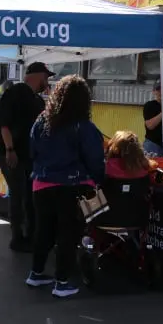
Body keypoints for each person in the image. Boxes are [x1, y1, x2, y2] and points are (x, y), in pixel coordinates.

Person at [27, 75, 105, 298]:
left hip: (41, 184)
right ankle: (62, 282)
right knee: (68, 234)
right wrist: (98, 179)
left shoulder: (42, 121)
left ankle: (36, 273)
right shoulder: (84, 126)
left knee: (44, 231)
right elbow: (96, 159)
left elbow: (32, 151)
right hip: (75, 186)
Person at [0, 62, 53, 252]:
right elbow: (4, 123)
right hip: (11, 151)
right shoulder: (17, 92)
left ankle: (29, 235)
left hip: (25, 154)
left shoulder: (36, 99)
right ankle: (17, 238)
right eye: (46, 76)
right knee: (18, 193)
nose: (47, 80)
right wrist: (10, 149)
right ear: (36, 75)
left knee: (27, 194)